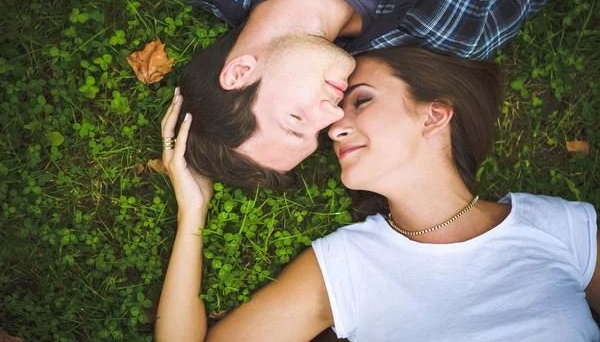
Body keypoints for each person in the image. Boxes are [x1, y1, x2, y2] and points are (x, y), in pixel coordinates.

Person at [155, 46, 600, 341]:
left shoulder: (564, 227)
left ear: (434, 115)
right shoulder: (346, 266)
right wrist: (192, 211)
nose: (334, 126)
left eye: (362, 101)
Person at [169, 0, 597, 189]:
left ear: (240, 73)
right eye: (319, 134)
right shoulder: (457, 28)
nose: (334, 115)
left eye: (296, 119)